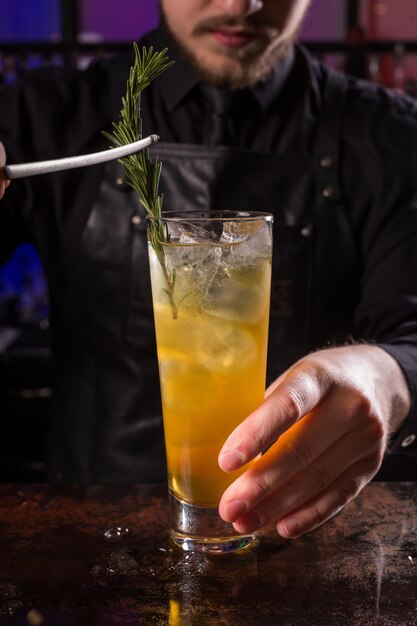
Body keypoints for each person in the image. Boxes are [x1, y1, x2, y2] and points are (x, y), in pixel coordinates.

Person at [0, 0, 416, 540]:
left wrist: (386, 379)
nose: (241, 4)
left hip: (311, 541)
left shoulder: (395, 137)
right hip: (88, 540)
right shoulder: (44, 113)